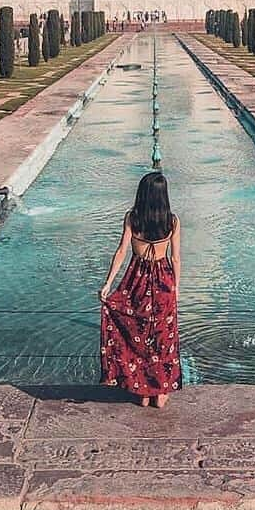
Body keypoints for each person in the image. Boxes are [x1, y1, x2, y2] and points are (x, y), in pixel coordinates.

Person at [98, 171, 181, 408]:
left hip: (136, 282)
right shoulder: (172, 221)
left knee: (138, 334)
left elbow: (122, 252)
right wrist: (177, 287)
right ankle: (161, 391)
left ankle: (142, 390)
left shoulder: (132, 218)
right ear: (163, 196)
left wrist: (108, 284)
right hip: (164, 281)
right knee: (163, 337)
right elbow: (175, 258)